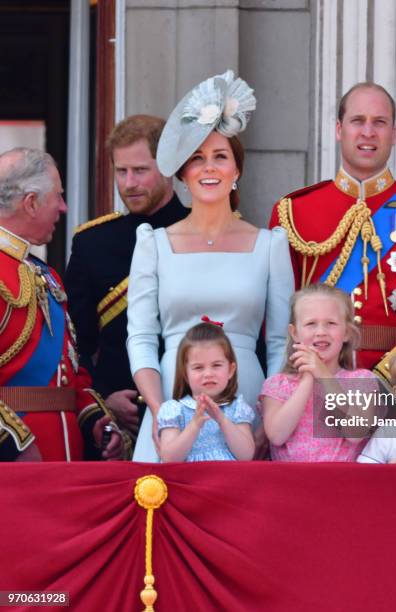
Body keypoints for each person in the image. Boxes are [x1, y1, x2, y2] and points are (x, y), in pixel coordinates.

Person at [127, 70, 294, 461]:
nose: (209, 168)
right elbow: (141, 339)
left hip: (248, 402)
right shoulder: (153, 244)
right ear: (183, 173)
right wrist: (158, 410)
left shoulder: (270, 244)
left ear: (236, 170)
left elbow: (279, 345)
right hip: (171, 397)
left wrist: (267, 417)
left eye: (220, 157)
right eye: (197, 158)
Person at [270, 82, 396, 382]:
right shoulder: (294, 211)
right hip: (314, 381)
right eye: (357, 121)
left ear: (394, 133)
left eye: (379, 122)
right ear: (338, 129)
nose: (368, 132)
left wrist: (384, 378)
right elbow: (279, 317)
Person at [65, 115, 187, 438]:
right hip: (119, 425)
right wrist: (103, 398)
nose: (129, 183)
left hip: (194, 406)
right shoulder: (91, 243)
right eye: (121, 171)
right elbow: (75, 345)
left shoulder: (203, 232)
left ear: (169, 166)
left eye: (141, 170)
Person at [0, 147, 124, 461]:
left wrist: (94, 420)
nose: (64, 207)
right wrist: (14, 444)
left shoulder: (46, 274)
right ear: (30, 203)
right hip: (18, 464)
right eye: (58, 195)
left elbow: (69, 372)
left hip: (66, 461)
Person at [258, 284, 374, 461]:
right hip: (288, 484)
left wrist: (323, 375)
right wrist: (307, 380)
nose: (321, 332)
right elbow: (276, 435)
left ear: (347, 332)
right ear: (295, 333)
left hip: (343, 484)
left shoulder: (362, 380)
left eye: (331, 324)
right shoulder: (278, 384)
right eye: (311, 324)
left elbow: (356, 431)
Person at [158, 320, 255, 462]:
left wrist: (221, 420)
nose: (208, 373)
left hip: (228, 481)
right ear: (185, 373)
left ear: (230, 370)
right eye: (198, 367)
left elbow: (246, 455)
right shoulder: (174, 409)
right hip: (188, 481)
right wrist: (195, 424)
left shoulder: (237, 408)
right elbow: (169, 458)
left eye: (216, 365)